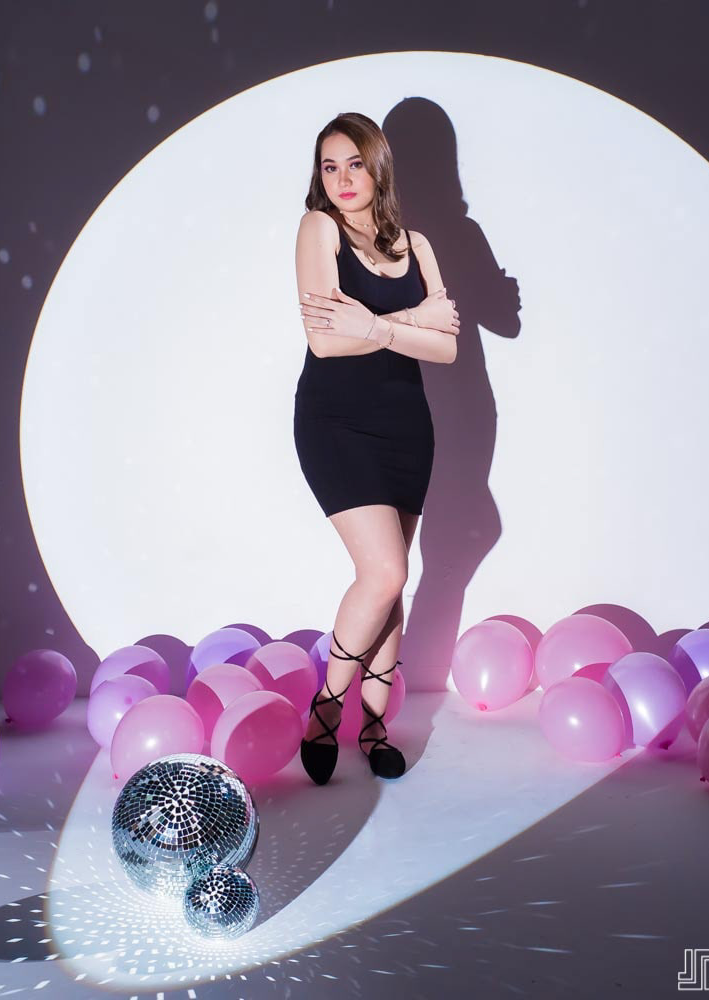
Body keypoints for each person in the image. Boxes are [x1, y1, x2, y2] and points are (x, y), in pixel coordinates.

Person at [293, 112, 460, 785]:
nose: (342, 179)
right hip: (335, 422)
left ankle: (375, 725)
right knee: (384, 572)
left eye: (354, 164)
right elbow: (325, 341)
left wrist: (374, 324)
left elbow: (446, 347)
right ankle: (328, 706)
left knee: (395, 581)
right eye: (329, 166)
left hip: (406, 425)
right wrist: (410, 321)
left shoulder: (417, 245)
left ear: (378, 166)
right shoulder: (319, 228)